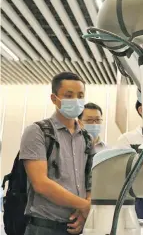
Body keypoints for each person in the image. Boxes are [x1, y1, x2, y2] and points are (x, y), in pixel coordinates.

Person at [20, 72, 93, 235]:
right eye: (69, 95)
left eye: (80, 96)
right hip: (44, 228)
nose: (76, 100)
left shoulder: (86, 137)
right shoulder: (37, 132)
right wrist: (84, 206)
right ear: (54, 99)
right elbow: (40, 183)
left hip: (77, 226)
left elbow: (90, 180)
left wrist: (84, 212)